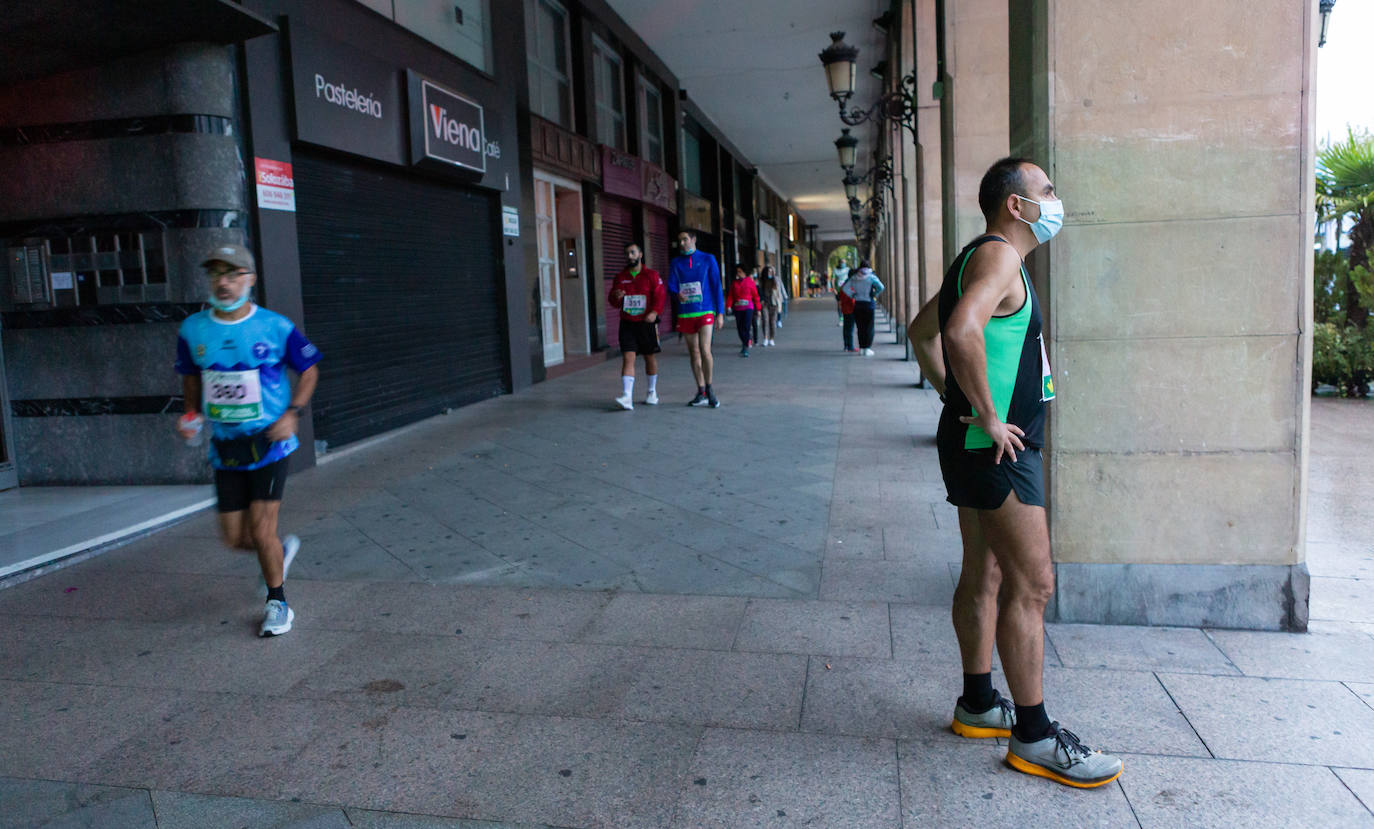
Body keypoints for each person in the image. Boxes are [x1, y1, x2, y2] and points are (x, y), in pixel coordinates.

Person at [906, 157, 1122, 788]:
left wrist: (963, 408)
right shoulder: (1000, 256)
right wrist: (989, 416)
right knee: (1033, 586)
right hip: (999, 452)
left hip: (973, 445)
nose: (1056, 200)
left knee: (987, 572)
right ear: (1016, 205)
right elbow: (958, 330)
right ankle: (1033, 736)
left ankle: (978, 703)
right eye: (1047, 190)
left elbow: (924, 337)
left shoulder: (977, 256)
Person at [174, 244, 322, 638]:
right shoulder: (193, 329)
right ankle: (279, 551)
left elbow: (309, 370)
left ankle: (278, 604)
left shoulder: (275, 327)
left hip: (270, 442)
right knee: (234, 537)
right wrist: (190, 413)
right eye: (217, 274)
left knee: (260, 529)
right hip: (225, 448)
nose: (223, 282)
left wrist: (293, 414)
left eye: (233, 273)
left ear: (250, 279)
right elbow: (191, 377)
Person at [667, 230, 724, 407]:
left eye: (685, 239)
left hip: (705, 311)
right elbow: (670, 285)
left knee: (705, 350)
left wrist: (720, 313)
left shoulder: (708, 259)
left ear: (693, 239)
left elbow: (716, 286)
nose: (682, 243)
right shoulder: (676, 262)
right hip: (686, 313)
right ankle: (701, 391)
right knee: (694, 352)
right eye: (679, 240)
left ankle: (710, 388)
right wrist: (677, 294)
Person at [607, 241, 667, 410]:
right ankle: (627, 396)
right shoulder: (620, 277)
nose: (629, 256)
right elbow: (613, 301)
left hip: (646, 323)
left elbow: (660, 296)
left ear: (640, 255)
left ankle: (651, 392)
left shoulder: (652, 275)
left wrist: (655, 312)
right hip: (627, 323)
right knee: (628, 358)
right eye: (627, 253)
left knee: (649, 357)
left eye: (633, 252)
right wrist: (616, 296)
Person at [842, 260, 885, 356]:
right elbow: (881, 287)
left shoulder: (854, 277)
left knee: (860, 327)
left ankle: (861, 348)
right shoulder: (871, 277)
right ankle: (867, 348)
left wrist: (853, 295)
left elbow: (845, 288)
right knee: (869, 327)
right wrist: (875, 294)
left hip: (858, 304)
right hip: (869, 304)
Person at [726, 264, 761, 357]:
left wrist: (758, 309)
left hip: (748, 308)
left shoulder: (750, 282)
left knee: (746, 327)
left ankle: (745, 346)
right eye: (737, 272)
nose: (738, 273)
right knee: (740, 328)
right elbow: (730, 296)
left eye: (740, 271)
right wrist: (728, 306)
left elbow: (755, 296)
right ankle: (745, 342)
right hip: (738, 308)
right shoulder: (734, 283)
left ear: (744, 272)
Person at [758, 265, 783, 346]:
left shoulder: (775, 280)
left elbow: (779, 293)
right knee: (765, 320)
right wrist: (761, 300)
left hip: (774, 304)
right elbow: (759, 291)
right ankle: (765, 338)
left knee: (772, 322)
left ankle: (771, 338)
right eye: (769, 271)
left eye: (771, 272)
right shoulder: (762, 281)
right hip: (765, 303)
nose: (770, 273)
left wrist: (780, 305)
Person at [838, 286, 856, 352]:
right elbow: (852, 300)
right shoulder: (851, 288)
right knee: (850, 329)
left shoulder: (842, 287)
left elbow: (840, 297)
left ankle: (846, 346)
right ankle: (850, 346)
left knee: (845, 328)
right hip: (851, 310)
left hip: (844, 310)